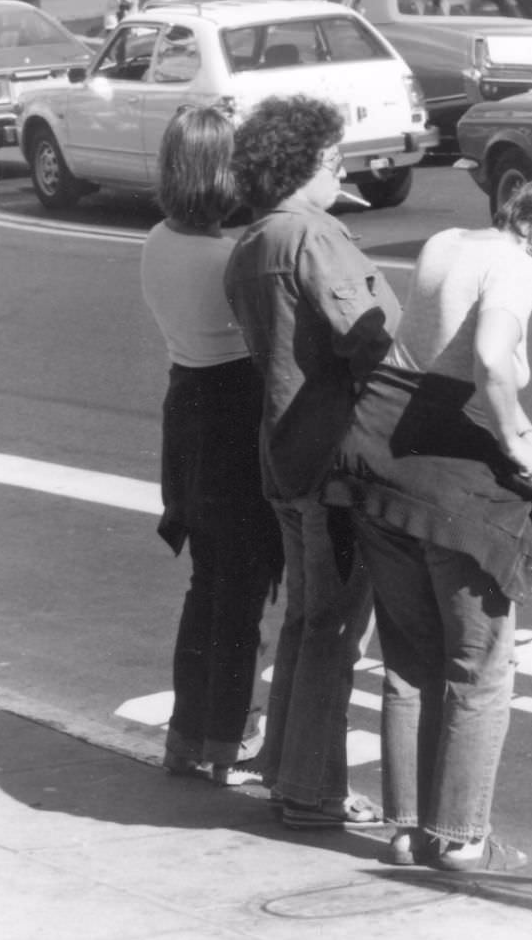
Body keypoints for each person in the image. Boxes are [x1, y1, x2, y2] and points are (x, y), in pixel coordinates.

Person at [323, 174, 532, 868]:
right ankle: (463, 838)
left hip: (375, 454)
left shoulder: (443, 241)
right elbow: (491, 357)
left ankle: (409, 830)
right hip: (448, 476)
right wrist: (523, 440)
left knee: (410, 655)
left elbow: (426, 350)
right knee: (481, 666)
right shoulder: (518, 265)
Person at [224, 95, 402, 828]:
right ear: (304, 165)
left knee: (306, 618)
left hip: (285, 453)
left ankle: (287, 772)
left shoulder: (253, 242)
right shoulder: (314, 238)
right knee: (333, 629)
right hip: (338, 457)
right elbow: (369, 338)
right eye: (333, 159)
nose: (342, 169)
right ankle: (313, 790)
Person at [140, 106, 283, 787]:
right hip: (236, 414)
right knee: (243, 590)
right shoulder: (234, 256)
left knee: (207, 582)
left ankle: (187, 733)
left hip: (186, 412)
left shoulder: (159, 241)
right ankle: (227, 738)